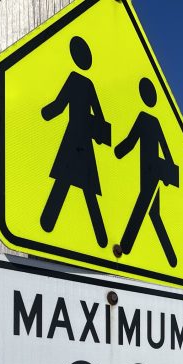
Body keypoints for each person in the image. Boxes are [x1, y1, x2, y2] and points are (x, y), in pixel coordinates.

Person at [39, 36, 111, 248]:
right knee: (85, 185)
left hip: (73, 137)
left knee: (66, 179)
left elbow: (59, 105)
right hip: (84, 140)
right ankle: (101, 236)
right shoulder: (87, 84)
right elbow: (99, 116)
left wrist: (46, 112)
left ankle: (47, 222)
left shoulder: (76, 80)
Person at [114, 77, 179, 265]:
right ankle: (170, 256)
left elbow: (131, 141)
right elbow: (165, 150)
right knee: (153, 212)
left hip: (151, 170)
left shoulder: (145, 119)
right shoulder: (154, 122)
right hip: (154, 169)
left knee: (143, 205)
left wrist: (119, 151)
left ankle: (125, 246)